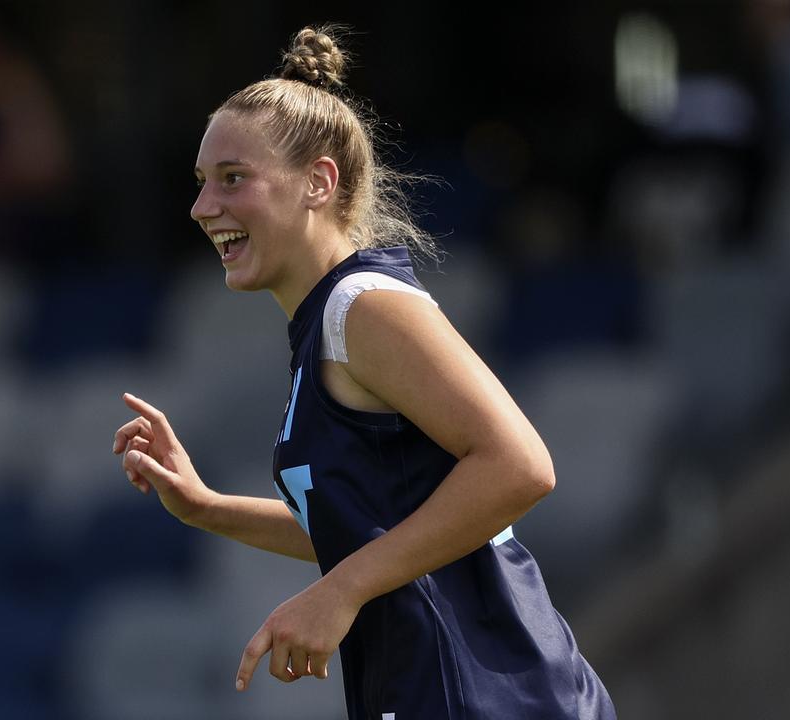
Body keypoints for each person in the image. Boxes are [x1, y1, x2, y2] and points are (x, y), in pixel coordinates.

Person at [113, 26, 616, 720]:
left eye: (233, 179)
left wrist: (338, 591)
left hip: (493, 698)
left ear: (319, 182)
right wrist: (207, 507)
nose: (203, 208)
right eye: (201, 184)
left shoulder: (361, 309)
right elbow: (373, 525)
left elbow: (520, 465)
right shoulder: (328, 323)